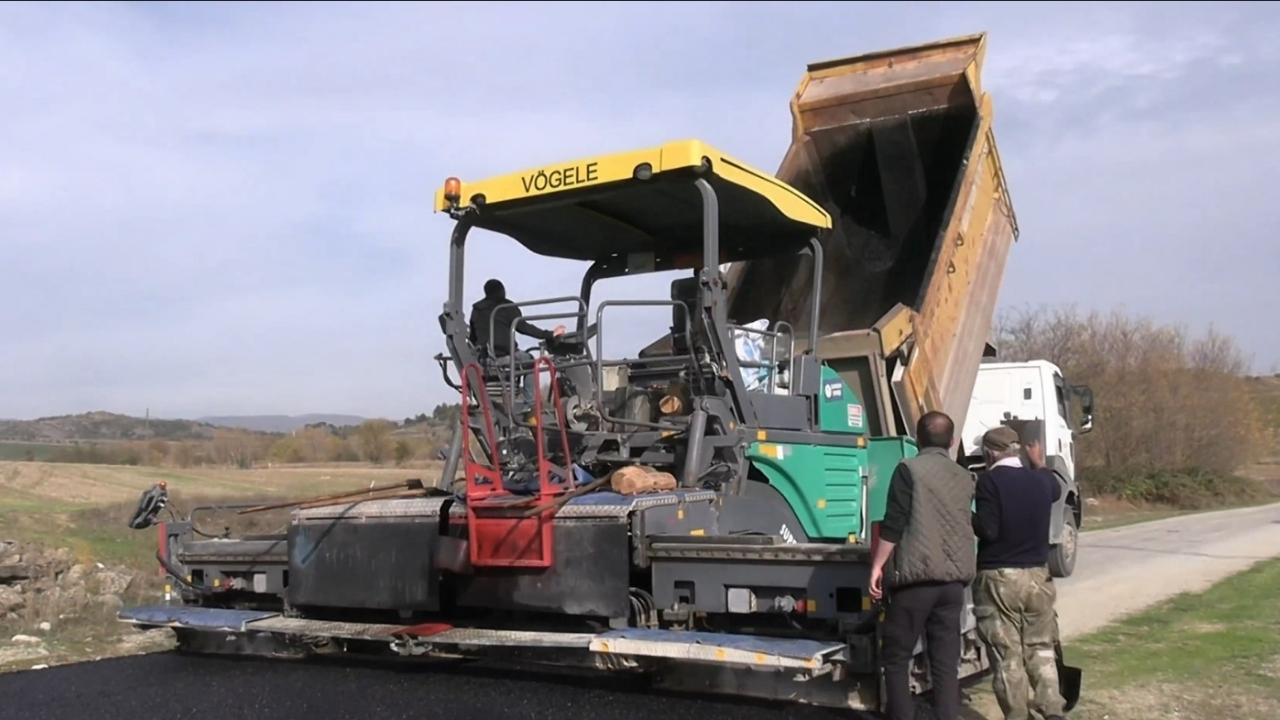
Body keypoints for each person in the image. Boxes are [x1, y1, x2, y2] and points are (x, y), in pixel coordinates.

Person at [869, 411, 977, 720]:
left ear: (917, 439)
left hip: (914, 585)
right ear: (953, 441)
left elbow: (895, 524)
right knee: (945, 666)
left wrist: (878, 566)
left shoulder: (908, 470)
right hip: (952, 587)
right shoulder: (964, 477)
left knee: (896, 658)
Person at [971, 425, 1068, 720]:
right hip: (1038, 576)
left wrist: (965, 514)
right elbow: (1055, 487)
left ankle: (1016, 716)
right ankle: (1052, 710)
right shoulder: (1042, 481)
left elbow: (988, 529)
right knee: (1040, 648)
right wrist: (1039, 462)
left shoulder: (989, 482)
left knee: (1006, 655)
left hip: (1000, 578)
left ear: (989, 453)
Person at [468, 279, 565, 407]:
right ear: (502, 291)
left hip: (483, 360)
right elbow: (524, 328)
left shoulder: (476, 310)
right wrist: (550, 334)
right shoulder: (506, 307)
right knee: (530, 361)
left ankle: (476, 400)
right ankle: (529, 406)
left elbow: (473, 338)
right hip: (504, 357)